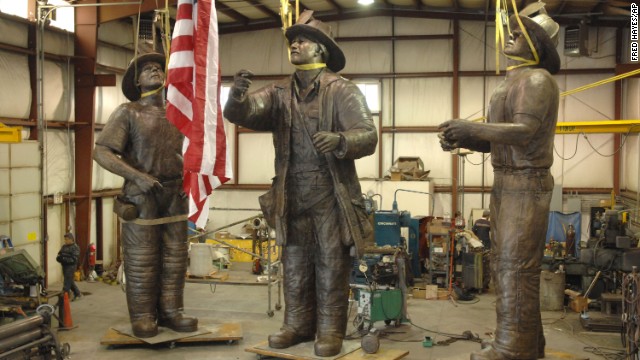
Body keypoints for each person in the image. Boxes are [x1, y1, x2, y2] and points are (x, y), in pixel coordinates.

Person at [223, 10, 377, 357]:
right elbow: (246, 113)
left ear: (321, 49)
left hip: (330, 193)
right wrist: (236, 97)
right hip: (291, 193)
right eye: (293, 40)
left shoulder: (342, 91)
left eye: (303, 39)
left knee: (330, 264)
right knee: (294, 264)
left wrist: (340, 141)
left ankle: (330, 330)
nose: (295, 43)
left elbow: (368, 135)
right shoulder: (279, 92)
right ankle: (296, 324)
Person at [438, 3, 560, 359]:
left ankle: (513, 346)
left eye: (521, 33)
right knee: (509, 264)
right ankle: (526, 343)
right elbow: (499, 139)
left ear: (538, 45)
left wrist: (472, 127)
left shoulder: (536, 79)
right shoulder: (514, 81)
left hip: (525, 182)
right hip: (507, 181)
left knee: (515, 266)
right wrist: (465, 138)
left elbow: (524, 131)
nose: (510, 35)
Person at [93, 53, 197, 338]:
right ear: (136, 81)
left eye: (157, 67)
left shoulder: (178, 113)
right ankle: (142, 317)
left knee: (175, 260)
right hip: (141, 196)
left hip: (174, 194)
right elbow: (101, 151)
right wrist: (137, 176)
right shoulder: (128, 112)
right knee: (143, 260)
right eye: (146, 69)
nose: (154, 70)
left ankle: (172, 312)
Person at [56, 233, 82, 301]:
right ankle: (77, 293)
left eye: (67, 239)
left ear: (71, 239)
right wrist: (59, 258)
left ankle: (64, 296)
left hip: (71, 267)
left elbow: (74, 259)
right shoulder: (64, 246)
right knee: (70, 281)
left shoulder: (75, 248)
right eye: (65, 239)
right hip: (64, 266)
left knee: (67, 281)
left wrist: (64, 259)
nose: (65, 241)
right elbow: (59, 254)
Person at [472, 210, 491, 291]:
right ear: (488, 216)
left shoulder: (477, 222)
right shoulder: (489, 223)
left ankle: (476, 283)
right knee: (486, 266)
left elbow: (473, 233)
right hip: (486, 246)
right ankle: (484, 285)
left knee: (477, 265)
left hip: (477, 246)